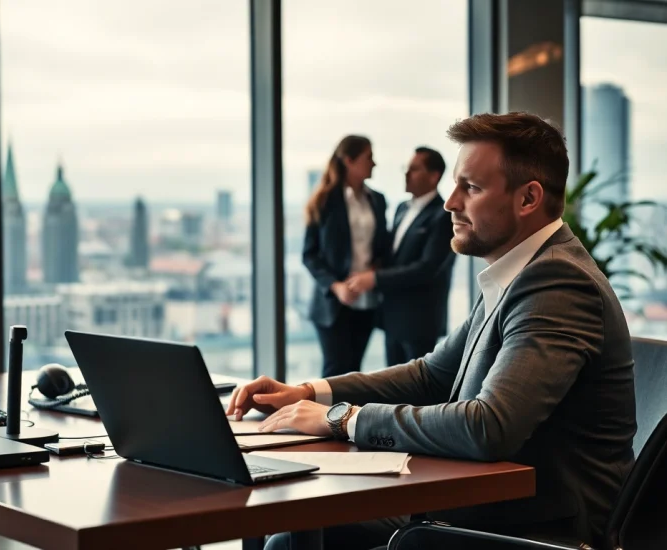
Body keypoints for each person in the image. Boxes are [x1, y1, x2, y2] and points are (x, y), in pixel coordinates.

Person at [229, 112, 636, 550]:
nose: (450, 203)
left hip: (534, 528)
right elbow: (431, 374)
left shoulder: (557, 282)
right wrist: (310, 392)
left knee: (292, 540)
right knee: (290, 533)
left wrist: (343, 419)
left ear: (528, 199)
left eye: (471, 188)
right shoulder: (516, 272)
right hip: (481, 505)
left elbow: (489, 426)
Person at [346, 146, 456, 366]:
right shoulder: (402, 208)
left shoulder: (442, 216)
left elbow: (427, 268)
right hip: (392, 317)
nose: (406, 174)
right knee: (392, 387)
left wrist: (375, 279)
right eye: (406, 168)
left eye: (414, 169)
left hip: (419, 320)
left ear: (434, 176)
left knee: (419, 393)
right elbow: (391, 255)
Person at [303, 135, 391, 378]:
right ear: (349, 161)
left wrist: (373, 272)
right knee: (335, 371)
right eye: (368, 157)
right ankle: (322, 418)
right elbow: (309, 255)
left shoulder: (378, 200)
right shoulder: (324, 200)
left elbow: (383, 248)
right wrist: (337, 286)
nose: (374, 163)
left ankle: (348, 418)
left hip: (367, 299)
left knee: (354, 374)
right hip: (332, 303)